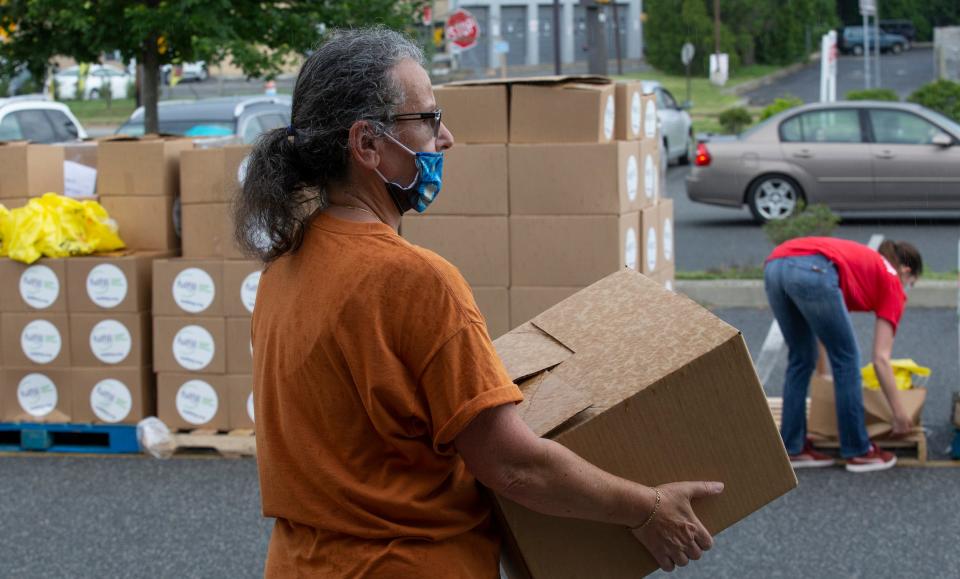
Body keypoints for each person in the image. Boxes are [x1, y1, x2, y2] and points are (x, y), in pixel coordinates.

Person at [235, 28, 723, 578]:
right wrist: (649, 508)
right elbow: (512, 466)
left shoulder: (283, 268)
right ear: (367, 145)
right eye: (427, 119)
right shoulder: (414, 280)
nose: (446, 138)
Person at [764, 236, 923, 473]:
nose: (906, 289)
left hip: (775, 266)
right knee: (847, 359)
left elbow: (821, 332)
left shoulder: (864, 269)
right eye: (910, 283)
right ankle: (858, 451)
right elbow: (880, 359)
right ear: (906, 271)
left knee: (800, 358)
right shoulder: (892, 281)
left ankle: (792, 448)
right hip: (812, 268)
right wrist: (900, 415)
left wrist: (824, 378)